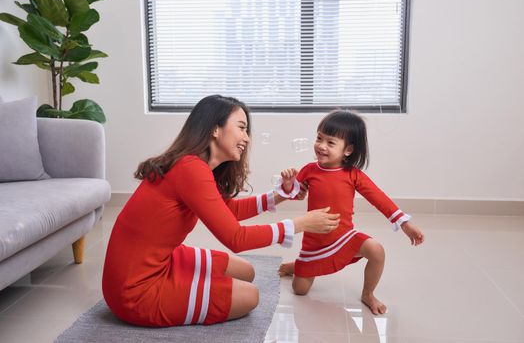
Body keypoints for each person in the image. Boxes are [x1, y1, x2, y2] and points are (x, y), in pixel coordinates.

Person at [102, 95, 340, 327]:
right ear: (215, 129)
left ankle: (191, 286)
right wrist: (301, 224)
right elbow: (236, 238)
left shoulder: (193, 165)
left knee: (245, 271)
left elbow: (229, 210)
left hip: (158, 261)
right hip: (135, 291)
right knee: (249, 296)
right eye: (241, 128)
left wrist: (281, 195)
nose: (246, 138)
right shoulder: (191, 169)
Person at [277, 110, 425, 315]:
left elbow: (379, 199)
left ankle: (368, 294)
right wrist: (287, 185)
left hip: (344, 237)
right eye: (319, 138)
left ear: (348, 150)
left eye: (330, 142)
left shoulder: (353, 175)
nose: (321, 146)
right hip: (315, 242)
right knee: (299, 290)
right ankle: (296, 266)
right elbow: (296, 195)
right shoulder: (309, 170)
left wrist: (405, 224)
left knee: (376, 250)